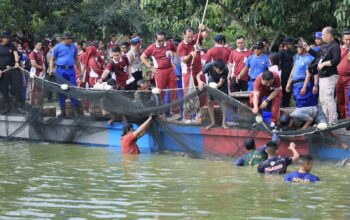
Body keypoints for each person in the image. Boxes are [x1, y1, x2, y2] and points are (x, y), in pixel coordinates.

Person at [302, 26, 341, 125]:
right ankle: (325, 120)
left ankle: (333, 120)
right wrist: (307, 47)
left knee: (328, 98)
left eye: (323, 34)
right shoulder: (324, 46)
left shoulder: (335, 46)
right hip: (323, 76)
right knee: (322, 99)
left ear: (328, 35)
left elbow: (336, 60)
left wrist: (323, 64)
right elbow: (317, 55)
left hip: (330, 76)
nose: (321, 37)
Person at [141, 31, 180, 119]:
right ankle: (161, 113)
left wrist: (175, 63)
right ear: (156, 39)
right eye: (159, 41)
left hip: (170, 70)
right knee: (160, 93)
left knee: (174, 91)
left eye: (163, 40)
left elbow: (176, 50)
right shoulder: (151, 48)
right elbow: (142, 57)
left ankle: (175, 113)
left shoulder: (169, 44)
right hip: (159, 72)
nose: (162, 42)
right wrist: (150, 67)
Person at [49, 31, 83, 117]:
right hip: (61, 70)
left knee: (73, 89)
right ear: (64, 39)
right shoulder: (57, 47)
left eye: (71, 38)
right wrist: (50, 69)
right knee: (61, 90)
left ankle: (75, 110)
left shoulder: (74, 47)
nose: (70, 40)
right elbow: (52, 59)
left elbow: (77, 59)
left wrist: (80, 71)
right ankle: (62, 111)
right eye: (68, 38)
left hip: (71, 70)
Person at [177, 25, 211, 102]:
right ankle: (189, 113)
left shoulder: (197, 37)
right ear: (183, 35)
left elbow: (208, 34)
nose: (191, 39)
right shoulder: (181, 46)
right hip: (189, 72)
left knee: (203, 91)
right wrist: (190, 55)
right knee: (189, 95)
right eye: (188, 37)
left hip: (199, 70)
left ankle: (201, 112)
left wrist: (205, 28)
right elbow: (184, 60)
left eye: (192, 37)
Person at [197, 59, 229, 129]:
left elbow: (220, 83)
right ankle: (212, 122)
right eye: (219, 70)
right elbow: (198, 75)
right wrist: (199, 82)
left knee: (224, 102)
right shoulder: (209, 65)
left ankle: (223, 123)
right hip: (212, 81)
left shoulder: (226, 69)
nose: (220, 72)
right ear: (214, 67)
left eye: (222, 70)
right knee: (209, 102)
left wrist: (214, 86)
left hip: (222, 85)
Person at [286, 43, 316, 108]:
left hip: (303, 85)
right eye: (297, 47)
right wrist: (289, 82)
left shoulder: (308, 59)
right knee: (298, 104)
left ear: (305, 48)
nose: (298, 49)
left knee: (304, 105)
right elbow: (293, 71)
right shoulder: (298, 57)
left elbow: (308, 74)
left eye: (300, 47)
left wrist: (304, 87)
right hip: (296, 85)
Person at [0, 31, 23, 114]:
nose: (8, 39)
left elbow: (16, 54)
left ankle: (18, 106)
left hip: (13, 69)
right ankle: (6, 106)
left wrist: (17, 62)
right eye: (7, 38)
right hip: (3, 71)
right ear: (2, 38)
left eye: (9, 38)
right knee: (4, 89)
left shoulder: (12, 46)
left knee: (16, 88)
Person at [336, 29, 350, 119]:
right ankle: (343, 117)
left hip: (349, 78)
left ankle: (348, 120)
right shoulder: (339, 49)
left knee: (348, 99)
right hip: (338, 78)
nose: (348, 41)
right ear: (342, 39)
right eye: (346, 39)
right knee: (340, 99)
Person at [29, 41, 46, 106]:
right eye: (39, 45)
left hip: (41, 73)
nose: (40, 46)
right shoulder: (32, 53)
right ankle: (32, 105)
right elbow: (33, 64)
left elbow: (43, 62)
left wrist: (44, 69)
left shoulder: (41, 53)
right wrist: (41, 67)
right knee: (33, 89)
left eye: (41, 45)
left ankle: (40, 104)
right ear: (35, 45)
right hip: (35, 73)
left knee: (40, 89)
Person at [279, 37, 294, 107]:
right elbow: (279, 64)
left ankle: (287, 106)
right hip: (283, 75)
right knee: (283, 93)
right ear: (286, 44)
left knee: (289, 92)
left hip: (290, 75)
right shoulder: (281, 52)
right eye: (290, 44)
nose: (291, 45)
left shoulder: (290, 52)